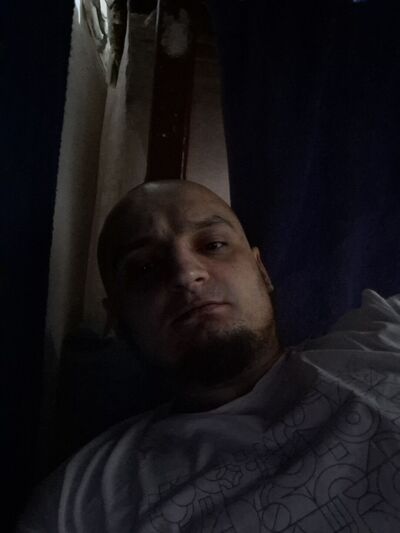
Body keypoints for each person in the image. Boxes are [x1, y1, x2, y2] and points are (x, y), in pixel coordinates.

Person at [17, 179, 400, 532]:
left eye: (213, 244)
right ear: (117, 319)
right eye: (145, 266)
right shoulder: (81, 501)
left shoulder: (384, 332)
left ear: (262, 271)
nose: (186, 273)